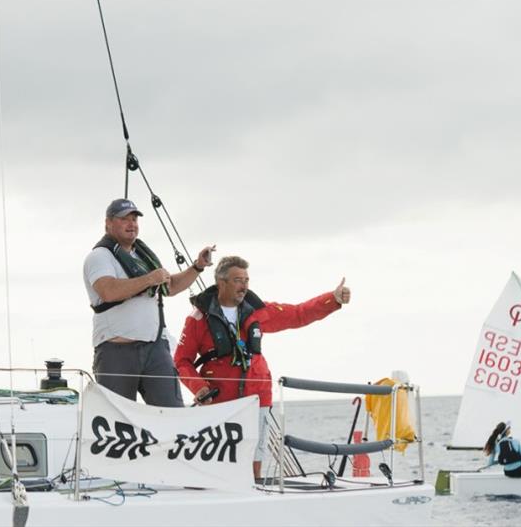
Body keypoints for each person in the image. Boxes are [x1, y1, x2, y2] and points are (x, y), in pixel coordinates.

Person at [174, 255, 351, 478]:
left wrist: (332, 300)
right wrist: (198, 388)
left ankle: (253, 492)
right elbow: (181, 361)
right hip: (218, 400)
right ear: (222, 283)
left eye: (247, 280)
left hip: (257, 396)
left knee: (254, 459)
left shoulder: (258, 311)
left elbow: (298, 314)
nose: (244, 285)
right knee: (217, 462)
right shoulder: (198, 319)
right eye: (238, 280)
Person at [83, 198, 215, 407]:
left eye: (134, 219)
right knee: (119, 420)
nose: (131, 224)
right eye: (124, 219)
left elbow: (169, 287)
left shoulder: (141, 257)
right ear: (108, 223)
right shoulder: (99, 257)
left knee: (172, 415)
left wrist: (198, 266)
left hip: (155, 350)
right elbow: (108, 291)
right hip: (116, 351)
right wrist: (150, 279)